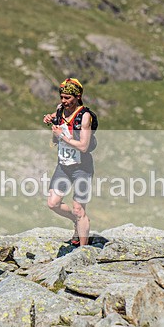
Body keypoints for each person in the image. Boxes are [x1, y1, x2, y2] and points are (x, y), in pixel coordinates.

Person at [42, 78, 97, 247]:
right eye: (62, 97)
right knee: (53, 203)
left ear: (78, 96)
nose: (64, 101)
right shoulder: (60, 109)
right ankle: (77, 220)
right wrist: (50, 118)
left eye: (68, 98)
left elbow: (84, 146)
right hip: (63, 166)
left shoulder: (84, 117)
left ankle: (83, 250)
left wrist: (62, 136)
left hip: (82, 168)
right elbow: (58, 118)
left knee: (79, 209)